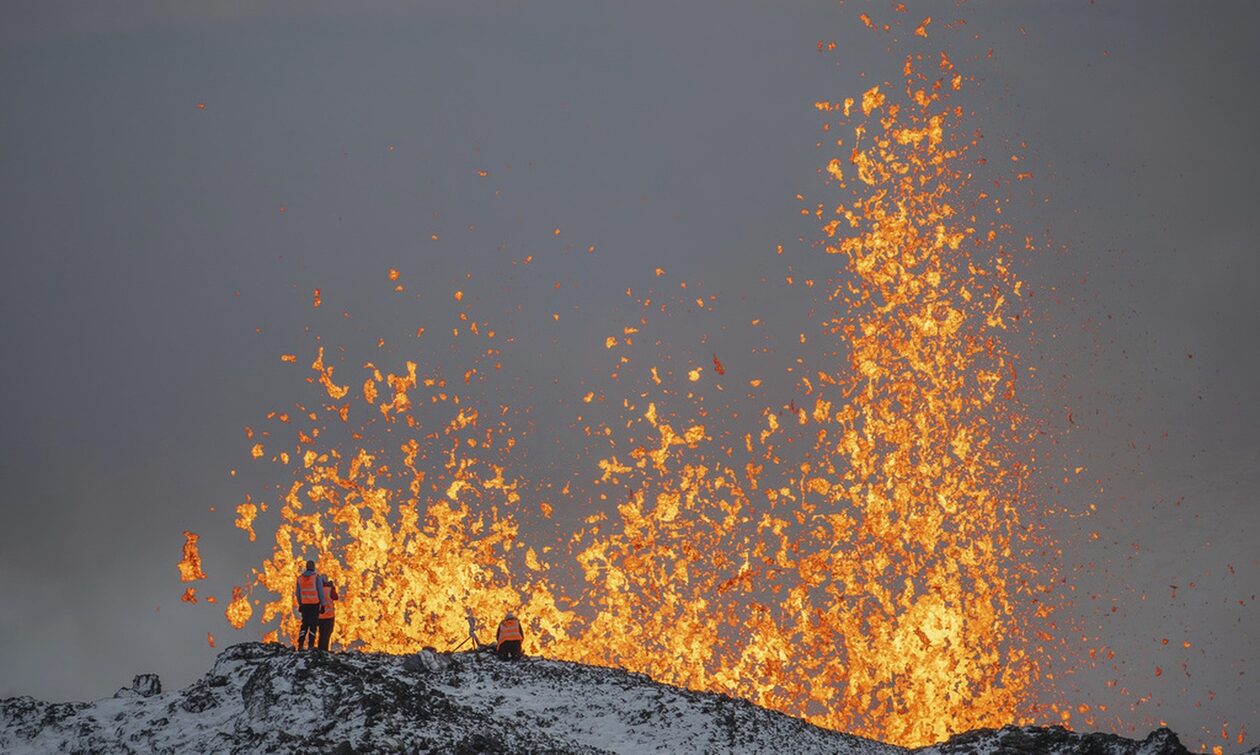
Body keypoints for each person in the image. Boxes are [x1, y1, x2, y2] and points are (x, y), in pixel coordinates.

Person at [294, 560, 325, 651]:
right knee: (313, 625)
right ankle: (310, 645)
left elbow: (297, 593)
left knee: (304, 625)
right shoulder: (316, 577)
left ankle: (300, 644)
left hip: (304, 605)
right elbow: (320, 592)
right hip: (314, 605)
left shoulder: (300, 578)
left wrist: (300, 604)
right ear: (314, 567)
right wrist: (322, 605)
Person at [316, 577, 338, 651]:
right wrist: (332, 587)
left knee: (321, 633)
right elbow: (335, 597)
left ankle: (320, 649)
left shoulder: (317, 589)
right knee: (327, 634)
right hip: (329, 616)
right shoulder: (329, 589)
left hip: (320, 616)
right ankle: (324, 650)